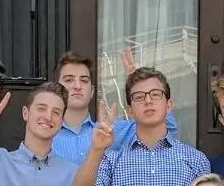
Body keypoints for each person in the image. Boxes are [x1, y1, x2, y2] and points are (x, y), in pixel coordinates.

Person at [70, 67, 210, 186]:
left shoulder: (195, 160)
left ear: (169, 104)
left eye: (155, 94)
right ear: (129, 111)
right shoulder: (113, 159)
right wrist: (96, 149)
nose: (148, 100)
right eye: (138, 96)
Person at [49, 50, 178, 167]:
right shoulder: (47, 134)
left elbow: (166, 128)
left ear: (92, 91)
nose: (77, 86)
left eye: (84, 80)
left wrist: (140, 84)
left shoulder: (112, 129)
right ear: (57, 88)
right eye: (69, 80)